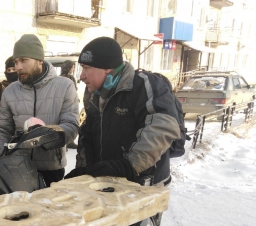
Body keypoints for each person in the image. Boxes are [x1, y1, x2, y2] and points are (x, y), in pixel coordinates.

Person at [65, 37, 180, 187]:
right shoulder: (94, 94)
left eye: (86, 68)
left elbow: (162, 128)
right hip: (108, 183)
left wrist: (129, 166)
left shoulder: (143, 85)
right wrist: (85, 171)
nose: (81, 76)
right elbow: (88, 136)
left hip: (143, 187)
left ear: (107, 68)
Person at [0, 34, 80, 186]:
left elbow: (71, 127)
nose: (18, 67)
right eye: (16, 62)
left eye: (24, 60)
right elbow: (3, 129)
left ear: (39, 60)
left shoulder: (64, 86)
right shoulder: (10, 91)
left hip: (51, 169)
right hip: (18, 169)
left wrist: (44, 134)